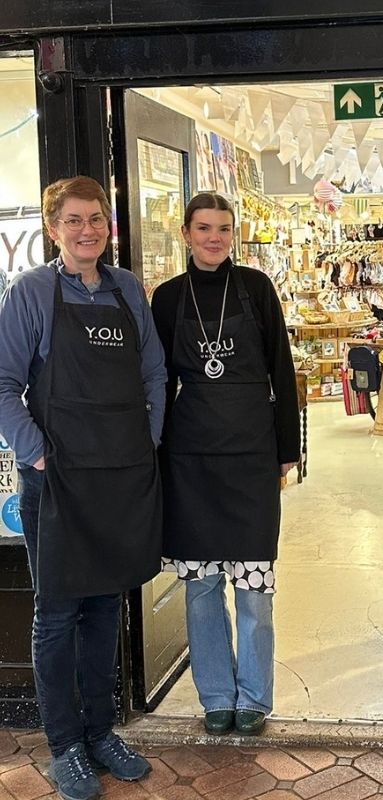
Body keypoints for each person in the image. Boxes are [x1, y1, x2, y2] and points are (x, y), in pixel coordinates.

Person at [0, 176, 165, 800]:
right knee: (56, 615)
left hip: (119, 478)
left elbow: (154, 372)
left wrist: (147, 439)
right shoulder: (31, 292)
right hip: (58, 484)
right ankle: (65, 746)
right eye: (73, 220)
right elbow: (3, 384)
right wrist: (37, 454)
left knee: (103, 608)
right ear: (53, 230)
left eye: (95, 218)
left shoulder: (126, 289)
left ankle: (101, 734)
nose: (87, 230)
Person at [151, 192, 300, 737]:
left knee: (254, 588)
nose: (214, 238)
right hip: (190, 460)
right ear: (186, 234)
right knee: (202, 587)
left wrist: (287, 450)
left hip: (251, 455)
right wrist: (155, 451)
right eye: (204, 228)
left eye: (223, 229)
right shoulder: (168, 298)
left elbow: (281, 371)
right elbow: (159, 381)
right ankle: (216, 695)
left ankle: (254, 696)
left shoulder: (257, 288)